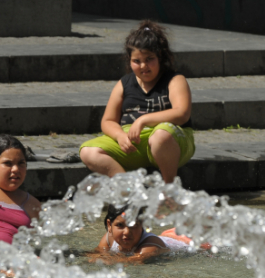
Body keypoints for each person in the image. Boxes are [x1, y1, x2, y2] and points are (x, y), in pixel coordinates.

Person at [79, 20, 195, 184]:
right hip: (134, 145)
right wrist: (120, 136)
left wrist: (143, 120)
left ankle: (168, 192)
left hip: (171, 142)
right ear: (129, 60)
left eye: (149, 59)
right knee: (88, 151)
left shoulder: (175, 79)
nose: (143, 66)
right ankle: (129, 190)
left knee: (161, 136)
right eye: (137, 61)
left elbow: (181, 113)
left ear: (160, 57)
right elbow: (108, 120)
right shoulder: (124, 83)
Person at [90, 204, 196, 264]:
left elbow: (131, 262)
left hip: (190, 241)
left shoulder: (150, 245)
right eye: (120, 225)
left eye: (133, 225)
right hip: (168, 235)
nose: (127, 232)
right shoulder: (109, 238)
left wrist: (104, 260)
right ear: (109, 225)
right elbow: (96, 254)